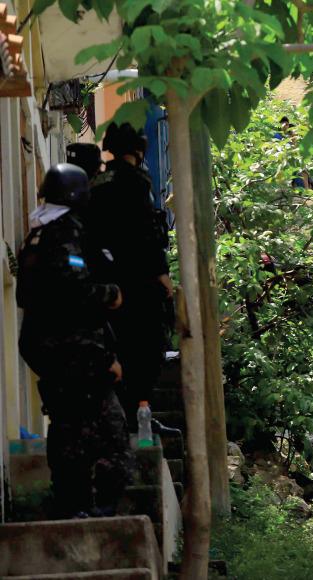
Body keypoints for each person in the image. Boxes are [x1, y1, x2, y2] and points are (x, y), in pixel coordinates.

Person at [17, 164, 133, 518]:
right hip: (73, 351)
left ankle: (73, 505)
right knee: (111, 434)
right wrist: (111, 294)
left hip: (46, 348)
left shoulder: (37, 233)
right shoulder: (65, 231)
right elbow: (73, 292)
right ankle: (98, 508)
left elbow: (29, 295)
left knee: (68, 427)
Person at [88, 123, 173, 430]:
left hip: (110, 279)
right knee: (148, 347)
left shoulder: (98, 180)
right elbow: (146, 231)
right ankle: (139, 413)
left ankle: (130, 413)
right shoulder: (135, 181)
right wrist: (161, 274)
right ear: (137, 150)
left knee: (123, 346)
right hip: (138, 279)